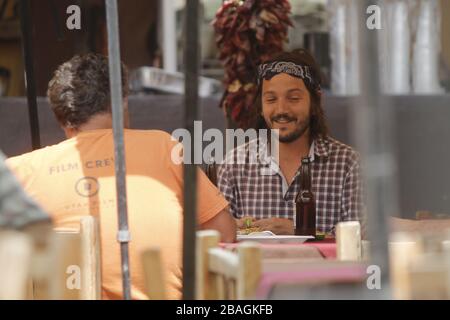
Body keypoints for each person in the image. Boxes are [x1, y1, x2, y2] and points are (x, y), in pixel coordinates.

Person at [6, 53, 236, 299]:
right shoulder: (162, 147)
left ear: (61, 118)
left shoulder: (19, 172)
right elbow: (223, 232)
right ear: (123, 102)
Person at [217, 49, 364, 236]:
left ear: (315, 101)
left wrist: (299, 232)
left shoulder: (348, 164)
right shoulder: (234, 164)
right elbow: (218, 243)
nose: (281, 110)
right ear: (261, 106)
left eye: (293, 98)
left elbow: (358, 242)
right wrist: (232, 229)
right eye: (270, 99)